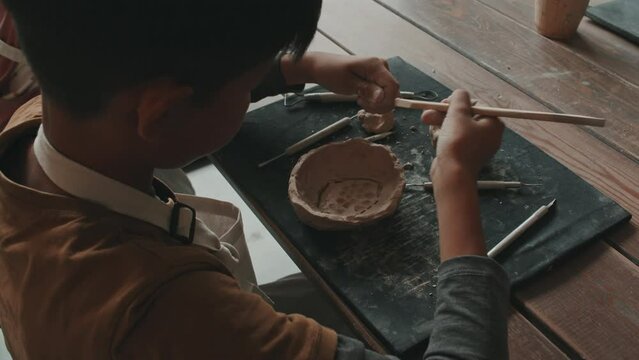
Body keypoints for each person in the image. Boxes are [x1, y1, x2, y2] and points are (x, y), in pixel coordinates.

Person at [0, 0, 508, 359]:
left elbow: (165, 83)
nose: (252, 88)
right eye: (247, 84)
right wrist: (455, 177)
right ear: (164, 109)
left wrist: (303, 66)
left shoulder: (40, 119)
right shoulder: (170, 316)